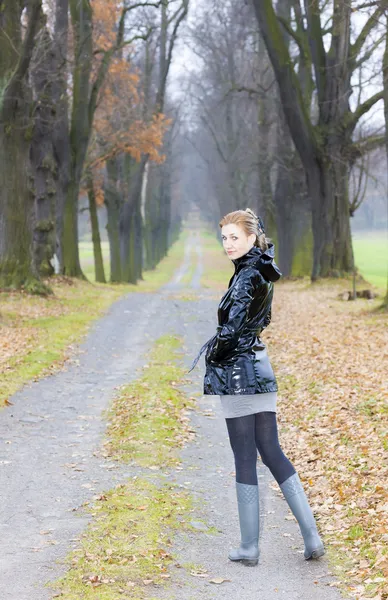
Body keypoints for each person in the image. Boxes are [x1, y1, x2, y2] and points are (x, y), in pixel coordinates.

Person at [189, 208, 325, 567]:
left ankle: (250, 547)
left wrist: (213, 352)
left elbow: (232, 330)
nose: (228, 244)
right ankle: (311, 536)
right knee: (272, 451)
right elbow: (262, 320)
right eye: (224, 238)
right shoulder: (262, 271)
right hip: (261, 370)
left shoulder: (247, 276)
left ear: (251, 238)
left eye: (235, 237)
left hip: (238, 375)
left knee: (246, 457)